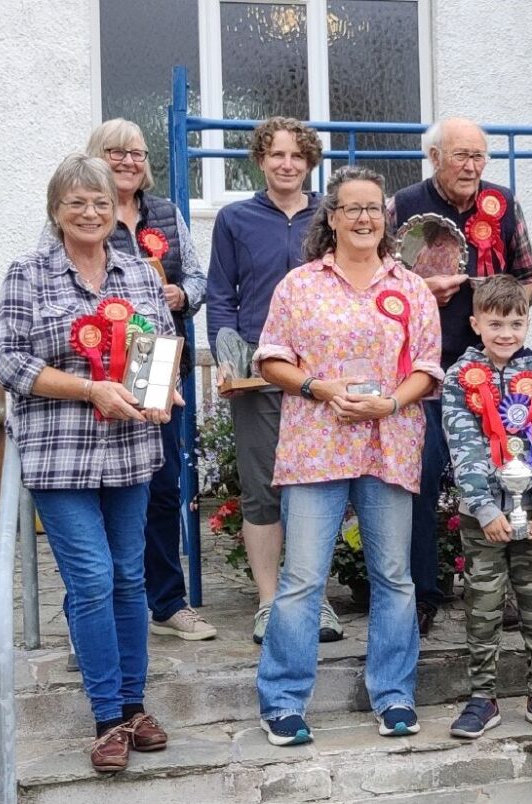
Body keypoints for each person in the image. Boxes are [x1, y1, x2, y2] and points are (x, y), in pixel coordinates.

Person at [0, 154, 178, 772]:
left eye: (100, 202)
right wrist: (89, 389)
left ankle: (134, 706)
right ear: (56, 211)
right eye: (77, 203)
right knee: (93, 579)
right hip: (59, 454)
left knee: (129, 578)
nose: (91, 213)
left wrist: (163, 391)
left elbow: (159, 348)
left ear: (114, 210)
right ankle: (106, 719)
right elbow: (9, 361)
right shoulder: (27, 274)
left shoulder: (138, 272)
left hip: (130, 451)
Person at [253, 166, 443, 745]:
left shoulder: (411, 287)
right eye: (352, 208)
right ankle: (283, 701)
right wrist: (318, 388)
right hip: (317, 445)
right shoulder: (299, 285)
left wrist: (391, 402)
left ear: (386, 218)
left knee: (395, 578)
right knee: (301, 579)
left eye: (373, 208)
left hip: (389, 443)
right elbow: (271, 358)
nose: (364, 218)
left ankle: (394, 696)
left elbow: (428, 367)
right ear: (331, 217)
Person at [387, 117, 532, 636]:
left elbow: (526, 275)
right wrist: (421, 292)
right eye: (461, 156)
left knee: (505, 473)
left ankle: (500, 591)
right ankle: (422, 594)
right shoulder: (403, 206)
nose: (472, 167)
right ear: (434, 158)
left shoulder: (502, 203)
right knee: (422, 477)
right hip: (423, 369)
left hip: (492, 369)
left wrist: (503, 309)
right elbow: (377, 283)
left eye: (478, 156)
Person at [206, 117, 343, 645]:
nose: (287, 164)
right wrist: (227, 356)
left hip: (322, 377)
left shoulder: (330, 216)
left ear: (310, 162)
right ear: (261, 159)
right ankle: (269, 603)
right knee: (263, 488)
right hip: (259, 375)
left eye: (297, 155)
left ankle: (314, 598)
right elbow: (222, 295)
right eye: (277, 154)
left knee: (319, 486)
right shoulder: (235, 219)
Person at [85, 118, 215, 640]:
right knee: (101, 492)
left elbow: (198, 277)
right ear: (96, 157)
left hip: (156, 365)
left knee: (162, 487)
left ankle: (166, 602)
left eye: (137, 153)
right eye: (116, 152)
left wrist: (184, 295)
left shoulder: (165, 214)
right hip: (97, 372)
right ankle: (104, 605)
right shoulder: (84, 211)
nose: (128, 162)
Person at [442, 275, 532, 739]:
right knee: (483, 604)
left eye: (516, 323)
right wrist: (483, 507)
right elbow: (463, 445)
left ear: (527, 324)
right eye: (495, 324)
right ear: (476, 323)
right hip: (484, 520)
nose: (506, 333)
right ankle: (483, 697)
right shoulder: (459, 377)